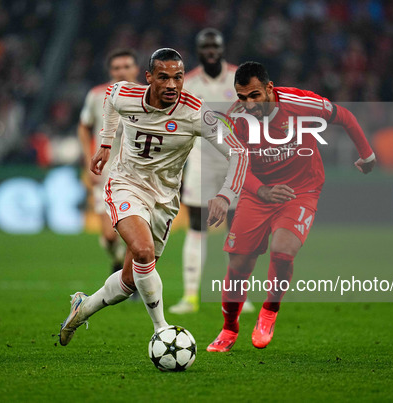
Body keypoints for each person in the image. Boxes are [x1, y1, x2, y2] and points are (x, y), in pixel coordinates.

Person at [59, 48, 248, 346]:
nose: (172, 85)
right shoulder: (127, 95)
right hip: (126, 184)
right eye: (163, 77)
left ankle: (83, 308)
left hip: (165, 198)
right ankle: (162, 331)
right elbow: (110, 97)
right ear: (148, 78)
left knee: (130, 280)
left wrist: (225, 194)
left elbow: (239, 151)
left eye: (178, 78)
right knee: (144, 251)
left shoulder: (196, 113)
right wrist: (106, 143)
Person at [207, 62, 376, 352]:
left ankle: (269, 311)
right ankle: (229, 328)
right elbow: (236, 163)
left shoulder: (299, 102)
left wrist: (367, 155)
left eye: (255, 95)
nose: (248, 103)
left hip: (301, 189)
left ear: (269, 88)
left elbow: (344, 116)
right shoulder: (234, 117)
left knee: (283, 250)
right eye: (242, 96)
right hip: (258, 192)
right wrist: (262, 190)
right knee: (238, 266)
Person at [169, 28, 253, 314]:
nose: (210, 51)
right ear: (198, 50)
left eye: (214, 46)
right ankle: (191, 295)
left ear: (222, 48)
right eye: (205, 46)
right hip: (201, 161)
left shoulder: (239, 79)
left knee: (239, 228)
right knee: (197, 225)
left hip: (234, 162)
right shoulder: (189, 83)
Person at [78, 49, 140, 273]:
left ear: (136, 69)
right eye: (116, 68)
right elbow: (84, 127)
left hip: (138, 175)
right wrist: (88, 162)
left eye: (126, 66)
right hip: (106, 174)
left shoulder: (149, 95)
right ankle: (117, 259)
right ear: (110, 71)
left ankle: (130, 277)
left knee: (136, 233)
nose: (122, 71)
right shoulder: (96, 95)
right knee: (109, 235)